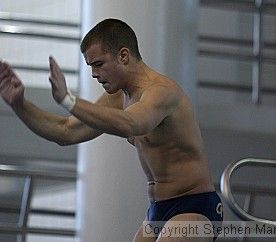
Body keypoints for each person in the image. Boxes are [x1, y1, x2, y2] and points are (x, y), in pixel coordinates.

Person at [0, 18, 222, 241]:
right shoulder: (118, 98)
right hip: (158, 209)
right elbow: (65, 131)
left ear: (123, 56)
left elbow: (132, 123)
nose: (94, 74)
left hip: (194, 206)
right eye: (90, 67)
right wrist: (20, 105)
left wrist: (68, 100)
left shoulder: (162, 92)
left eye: (98, 64)